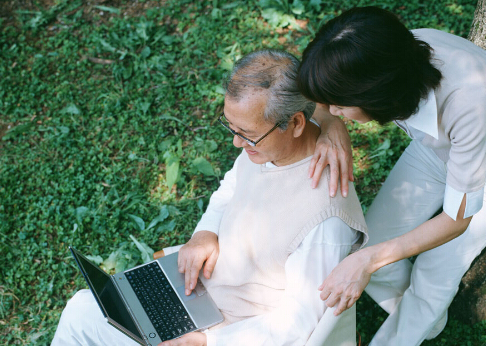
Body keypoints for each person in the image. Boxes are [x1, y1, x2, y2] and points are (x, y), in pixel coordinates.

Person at [51, 49, 368, 346]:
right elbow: (233, 185)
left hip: (230, 332)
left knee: (83, 320)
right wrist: (205, 232)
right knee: (83, 308)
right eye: (231, 127)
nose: (236, 142)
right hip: (200, 297)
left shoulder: (325, 219)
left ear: (296, 123)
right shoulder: (268, 144)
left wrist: (208, 341)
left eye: (246, 133)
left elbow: (299, 321)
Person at [297, 6, 486, 346]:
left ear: (375, 94)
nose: (331, 111)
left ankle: (411, 323)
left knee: (433, 272)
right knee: (371, 245)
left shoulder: (468, 103)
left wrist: (367, 261)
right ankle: (426, 321)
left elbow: (458, 219)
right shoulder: (390, 54)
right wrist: (331, 125)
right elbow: (313, 98)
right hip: (434, 150)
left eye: (338, 105)